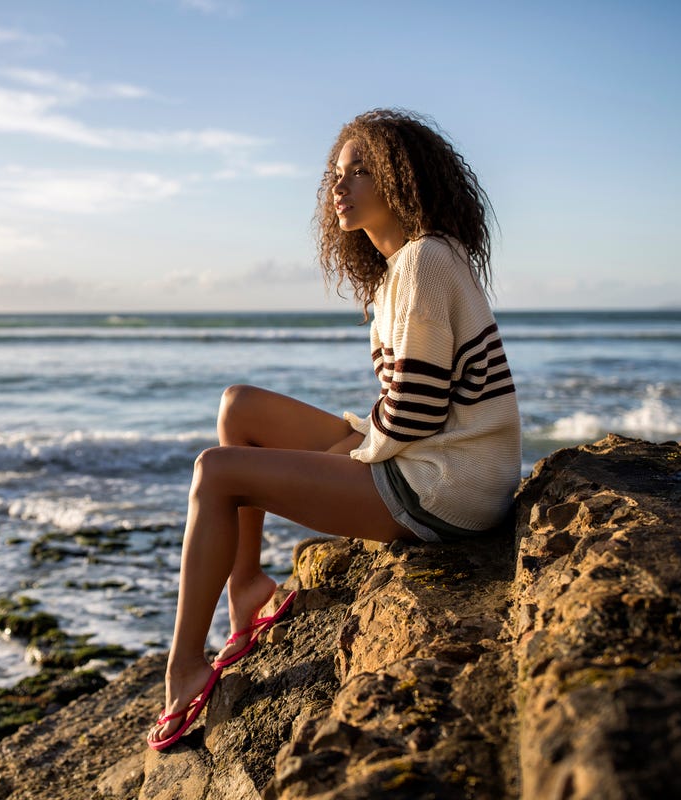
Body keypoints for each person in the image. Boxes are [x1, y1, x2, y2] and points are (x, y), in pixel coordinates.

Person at [146, 109, 522, 751]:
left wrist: (354, 449)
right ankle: (248, 590)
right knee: (239, 406)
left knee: (218, 473)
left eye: (361, 171)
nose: (339, 187)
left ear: (403, 179)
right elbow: (413, 405)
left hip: (446, 488)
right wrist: (358, 444)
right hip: (432, 461)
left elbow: (419, 410)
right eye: (335, 175)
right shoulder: (405, 267)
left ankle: (183, 669)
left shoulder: (426, 261)